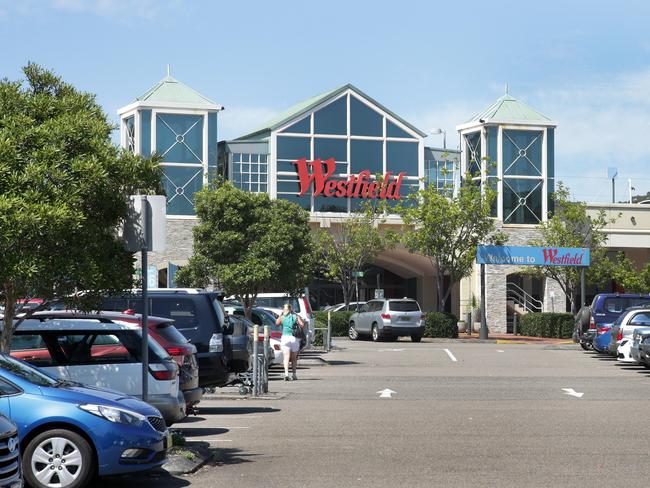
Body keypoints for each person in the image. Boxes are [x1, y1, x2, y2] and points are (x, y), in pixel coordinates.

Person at [276, 303, 304, 381]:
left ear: (284, 309)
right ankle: (294, 374)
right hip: (294, 339)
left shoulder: (282, 317)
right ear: (291, 309)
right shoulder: (295, 316)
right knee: (294, 358)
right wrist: (297, 319)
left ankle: (286, 374)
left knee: (286, 357)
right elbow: (302, 325)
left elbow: (277, 323)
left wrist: (280, 315)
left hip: (285, 338)